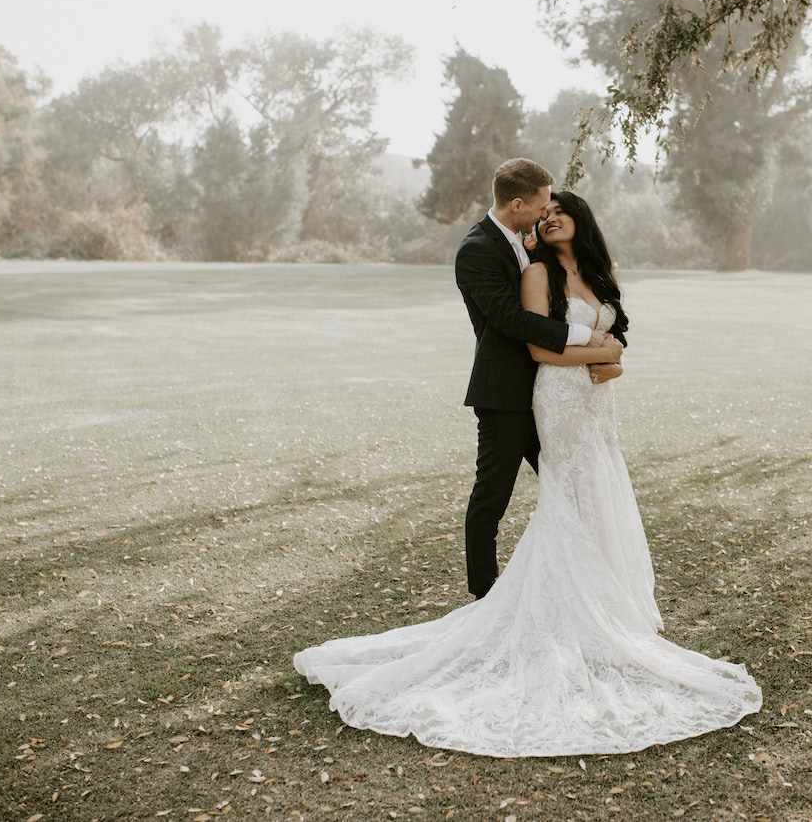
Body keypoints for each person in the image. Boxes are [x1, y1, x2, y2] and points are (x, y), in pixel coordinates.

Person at [293, 189, 762, 757]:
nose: (551, 218)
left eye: (560, 211)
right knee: (560, 495)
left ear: (579, 219)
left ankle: (613, 602)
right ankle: (538, 604)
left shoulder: (599, 273)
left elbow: (620, 342)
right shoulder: (537, 271)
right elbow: (540, 348)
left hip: (596, 403)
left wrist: (612, 359)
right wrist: (600, 351)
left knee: (599, 492)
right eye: (545, 213)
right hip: (559, 398)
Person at [451, 158, 623, 599]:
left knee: (573, 488)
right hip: (508, 391)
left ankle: (582, 585)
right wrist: (591, 337)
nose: (547, 214)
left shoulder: (526, 246)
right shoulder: (476, 249)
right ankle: (483, 597)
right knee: (492, 497)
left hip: (554, 392)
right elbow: (512, 320)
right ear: (517, 204)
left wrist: (608, 351)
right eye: (543, 205)